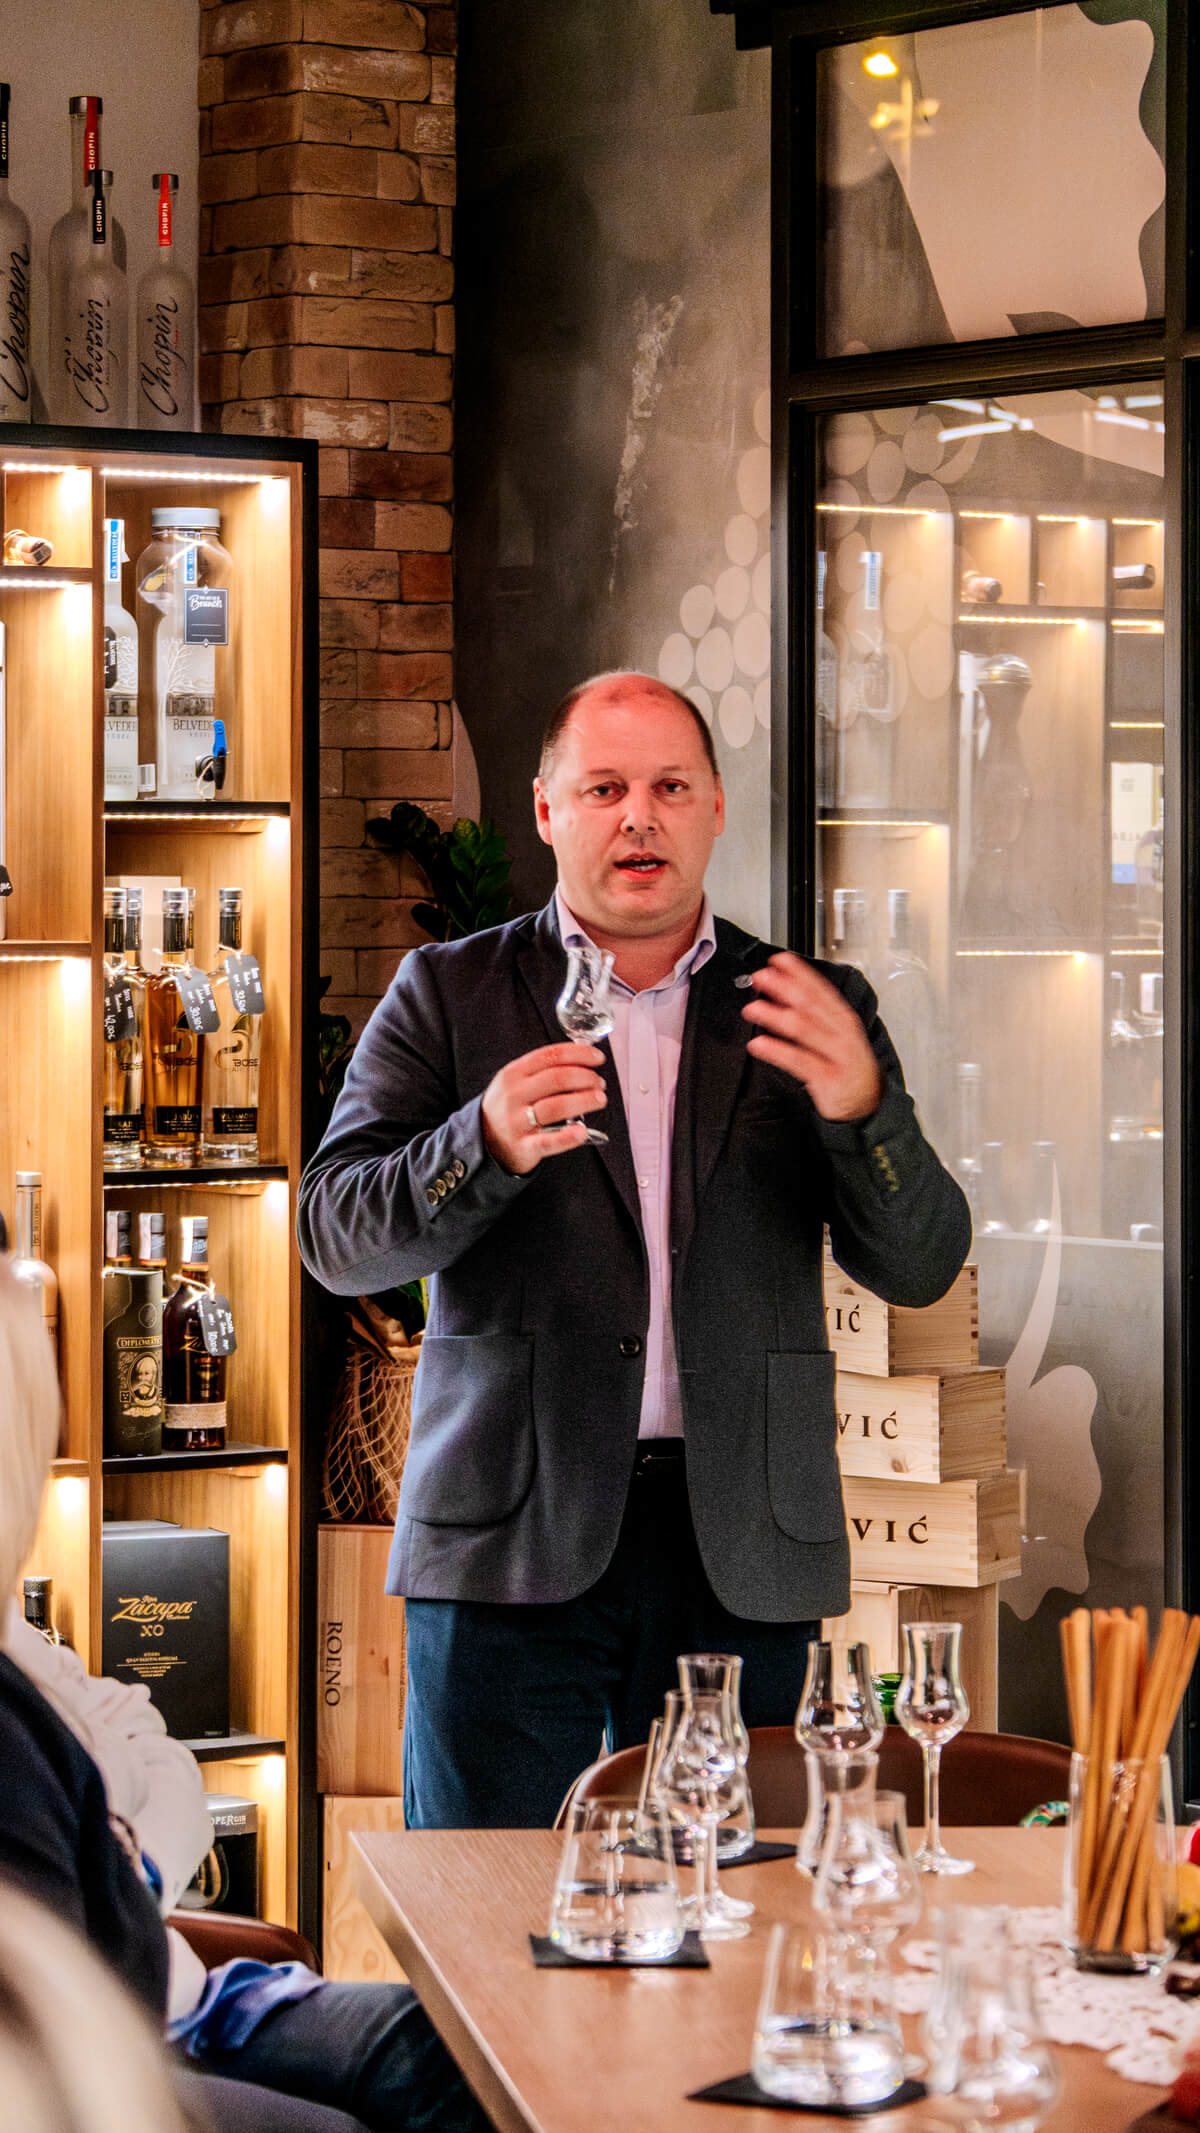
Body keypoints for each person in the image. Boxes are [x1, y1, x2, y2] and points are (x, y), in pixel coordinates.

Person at [297, 670, 971, 1829]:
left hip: (742, 1546)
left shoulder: (809, 1003)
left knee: (733, 1908)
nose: (639, 818)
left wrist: (866, 1112)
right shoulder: (450, 994)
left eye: (670, 787)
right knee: (490, 1905)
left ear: (715, 806)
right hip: (507, 1539)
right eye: (604, 788)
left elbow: (919, 1266)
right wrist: (480, 1143)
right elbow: (334, 1236)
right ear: (547, 809)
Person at [0, 1258, 492, 2133]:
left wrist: (133, 1863)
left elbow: (156, 1749)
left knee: (476, 2052)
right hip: (101, 2051)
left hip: (201, 1997)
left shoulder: (12, 1633)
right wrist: (121, 1843)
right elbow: (63, 1958)